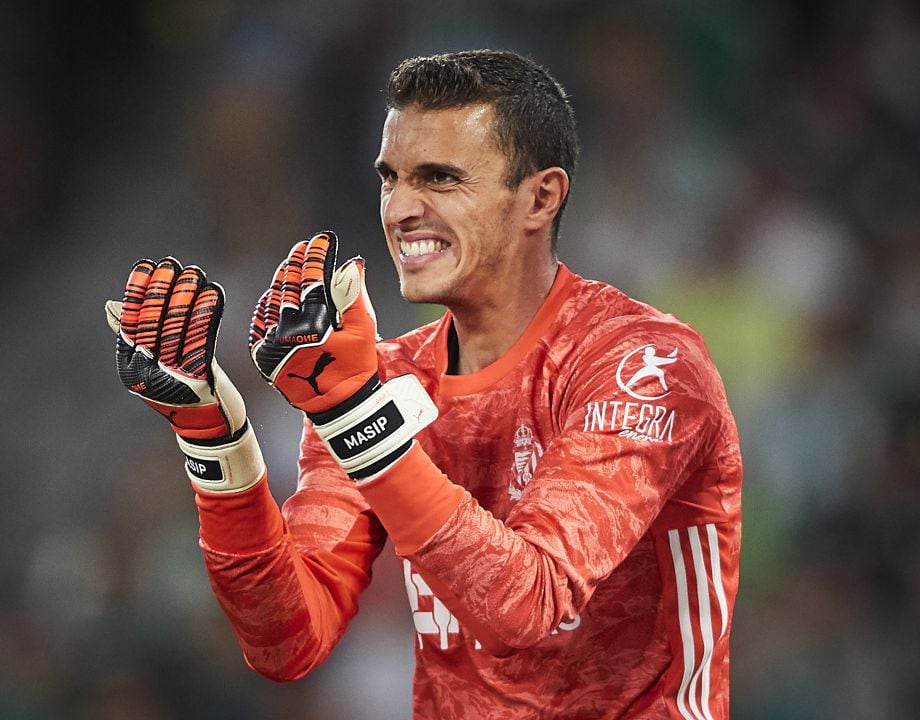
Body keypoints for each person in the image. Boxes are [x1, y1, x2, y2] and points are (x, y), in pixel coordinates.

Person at [106, 49, 742, 719]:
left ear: (539, 197)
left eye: (440, 178)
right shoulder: (378, 380)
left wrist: (355, 415)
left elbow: (527, 604)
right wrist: (215, 441)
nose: (402, 208)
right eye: (392, 178)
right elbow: (287, 641)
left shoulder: (646, 365)